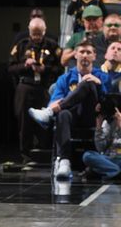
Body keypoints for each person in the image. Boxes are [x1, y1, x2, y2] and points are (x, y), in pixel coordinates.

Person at [28, 41, 112, 179]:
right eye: (81, 52)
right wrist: (67, 101)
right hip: (71, 117)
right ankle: (64, 162)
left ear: (95, 56)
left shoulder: (103, 76)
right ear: (76, 55)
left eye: (88, 52)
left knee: (88, 82)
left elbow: (108, 103)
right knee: (63, 114)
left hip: (93, 116)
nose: (85, 55)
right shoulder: (64, 78)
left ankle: (48, 113)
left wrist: (99, 84)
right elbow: (54, 101)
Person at [8, 16, 61, 164]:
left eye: (39, 33)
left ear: (44, 31)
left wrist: (46, 69)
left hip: (44, 86)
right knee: (24, 121)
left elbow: (60, 68)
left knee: (46, 120)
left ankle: (43, 154)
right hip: (26, 85)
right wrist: (25, 65)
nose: (36, 37)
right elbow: (11, 68)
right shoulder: (21, 45)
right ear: (29, 31)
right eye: (34, 33)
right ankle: (26, 156)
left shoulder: (52, 46)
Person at [83, 94, 121, 180]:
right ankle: (115, 171)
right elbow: (100, 148)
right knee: (87, 155)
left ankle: (108, 171)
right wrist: (99, 125)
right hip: (110, 159)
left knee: (92, 169)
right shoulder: (108, 123)